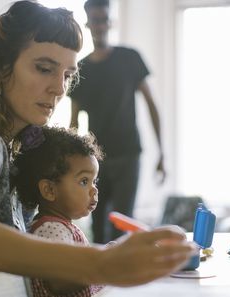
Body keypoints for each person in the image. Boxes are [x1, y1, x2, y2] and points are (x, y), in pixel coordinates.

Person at [0, 0, 195, 297]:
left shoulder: (7, 147)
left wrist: (110, 257)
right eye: (44, 68)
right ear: (1, 68)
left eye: (67, 74)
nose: (58, 88)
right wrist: (99, 263)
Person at [69, 0, 166, 244]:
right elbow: (73, 122)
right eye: (94, 20)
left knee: (123, 224)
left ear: (110, 22)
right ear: (87, 23)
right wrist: (71, 164)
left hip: (128, 154)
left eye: (103, 19)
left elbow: (151, 105)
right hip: (95, 160)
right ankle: (99, 283)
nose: (99, 25)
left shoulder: (129, 58)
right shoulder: (81, 69)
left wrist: (162, 153)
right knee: (97, 225)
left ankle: (122, 281)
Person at [12, 126, 105, 297]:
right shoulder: (50, 229)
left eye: (94, 181)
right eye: (84, 181)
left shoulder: (63, 227)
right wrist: (105, 266)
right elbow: (63, 280)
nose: (94, 189)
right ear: (50, 190)